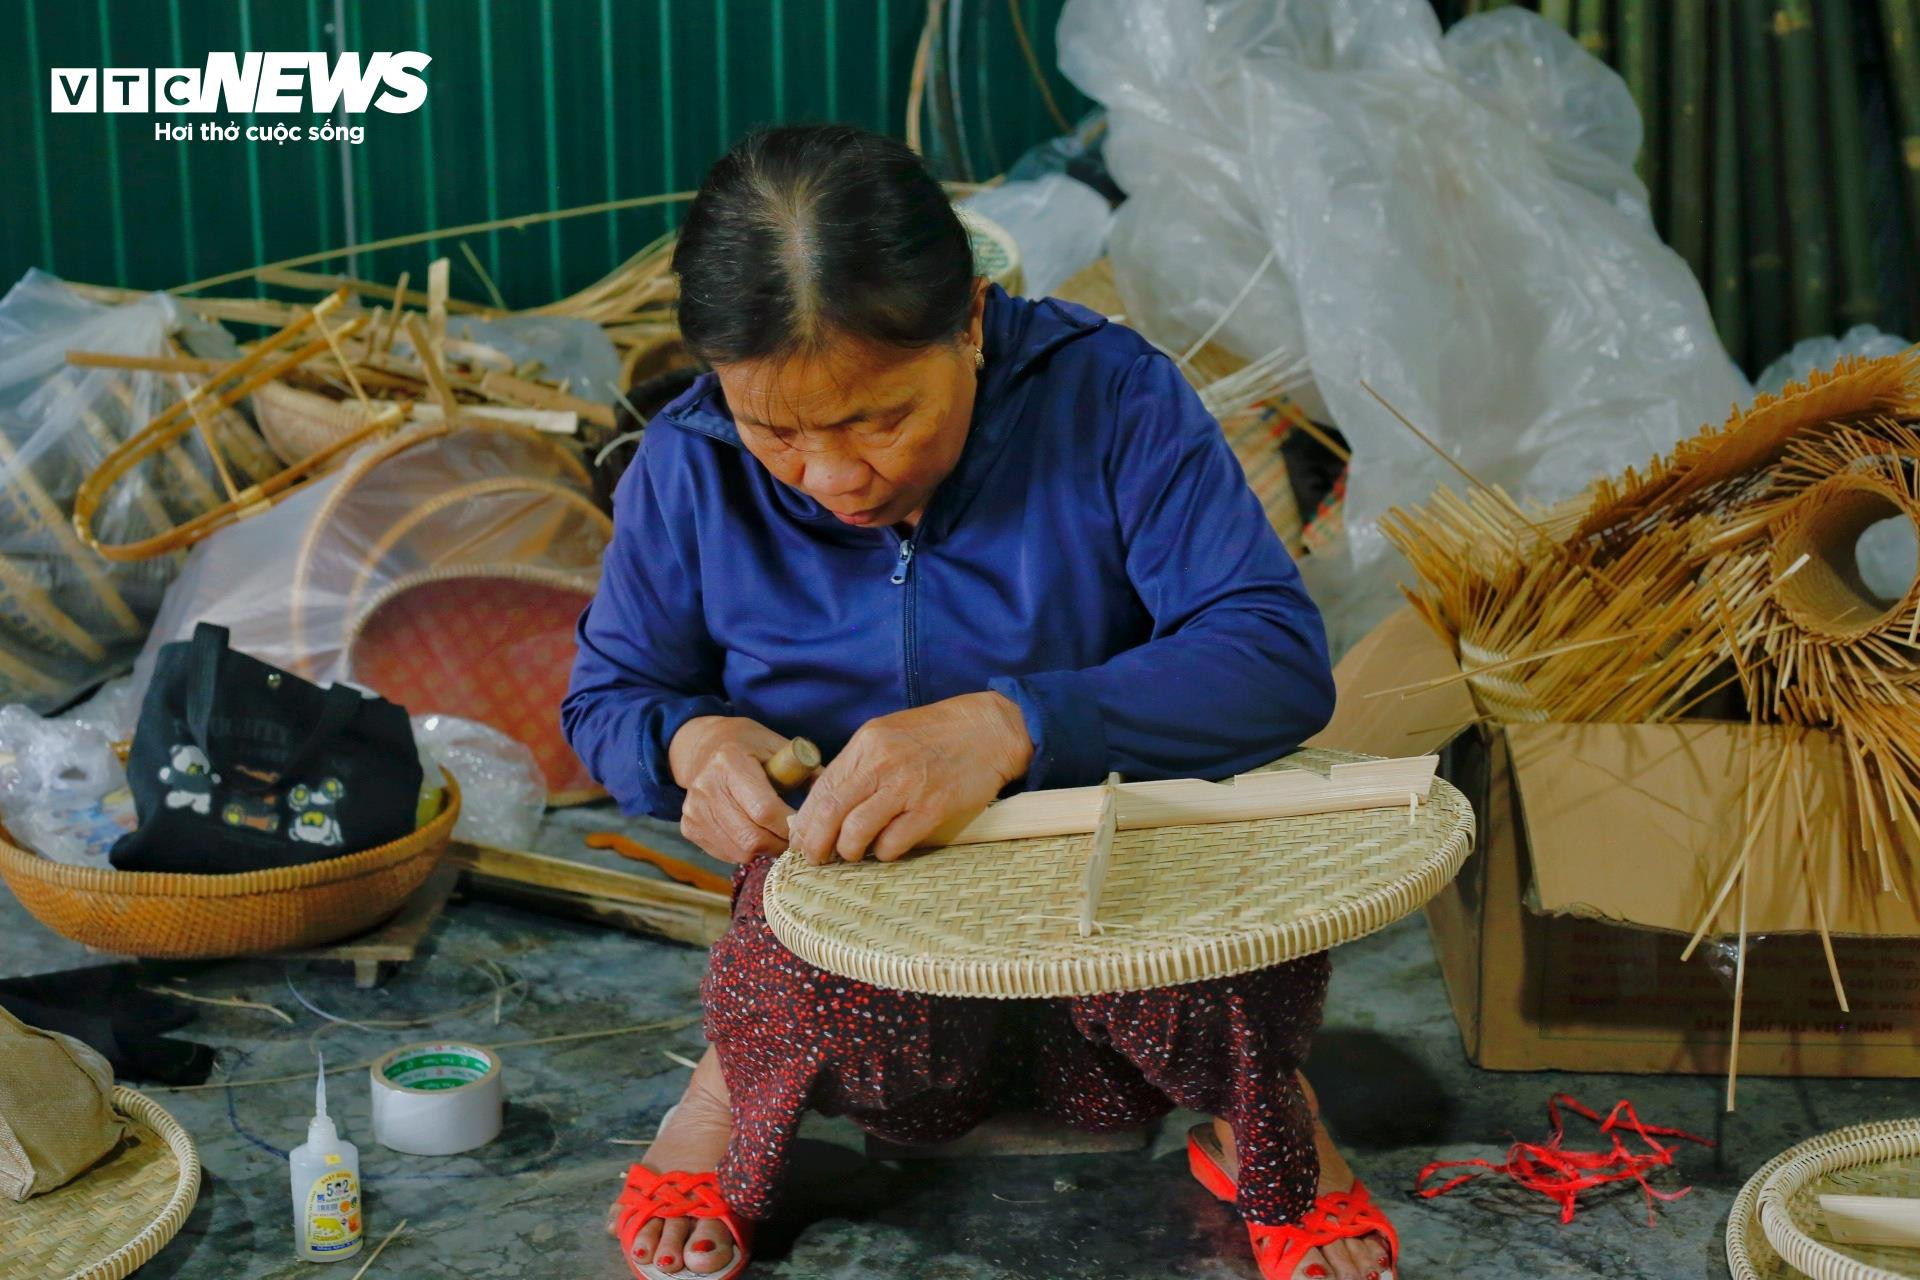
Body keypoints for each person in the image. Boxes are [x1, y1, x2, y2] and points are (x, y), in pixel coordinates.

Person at [563, 124, 1396, 1280]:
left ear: (971, 319)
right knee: (787, 969)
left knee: (1221, 966)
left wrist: (1009, 723)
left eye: (879, 417)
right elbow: (610, 694)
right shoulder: (690, 462)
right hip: (868, 896)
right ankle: (731, 1076)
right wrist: (693, 741)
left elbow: (1271, 656)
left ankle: (1253, 1110)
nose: (835, 476)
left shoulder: (1110, 396)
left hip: (1110, 852)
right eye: (780, 430)